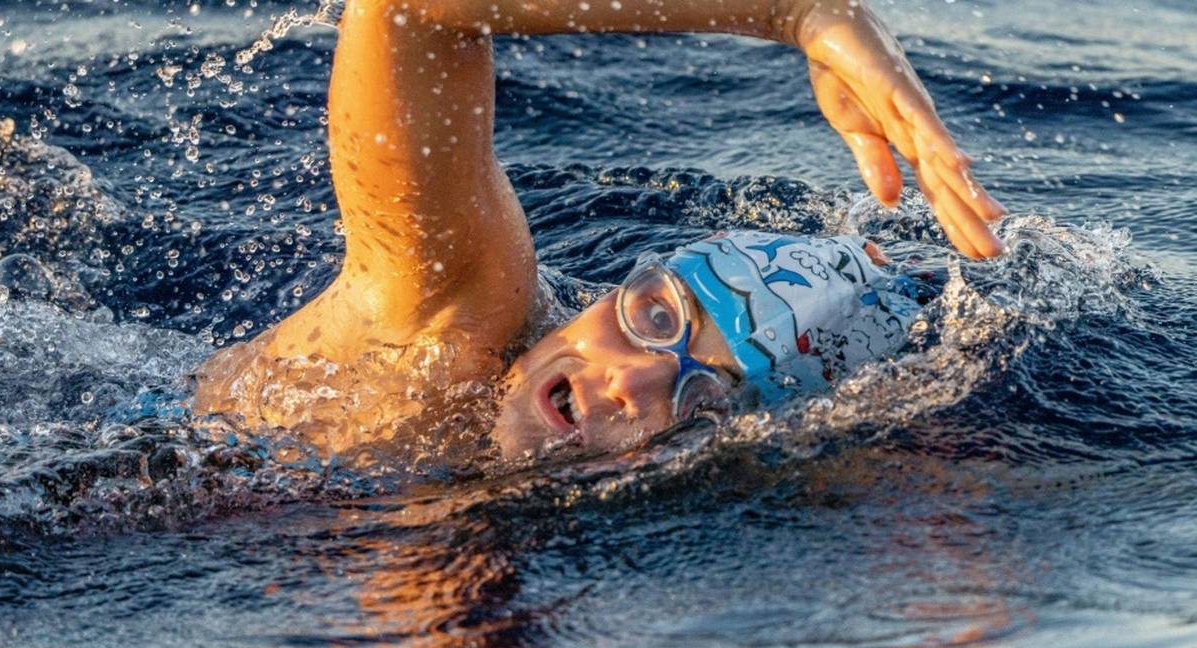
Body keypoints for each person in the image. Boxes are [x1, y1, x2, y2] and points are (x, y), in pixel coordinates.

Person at [194, 0, 1007, 461]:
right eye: (657, 319)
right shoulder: (448, 324)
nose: (629, 383)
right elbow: (408, 12)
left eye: (698, 400)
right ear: (628, 285)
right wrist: (798, 13)